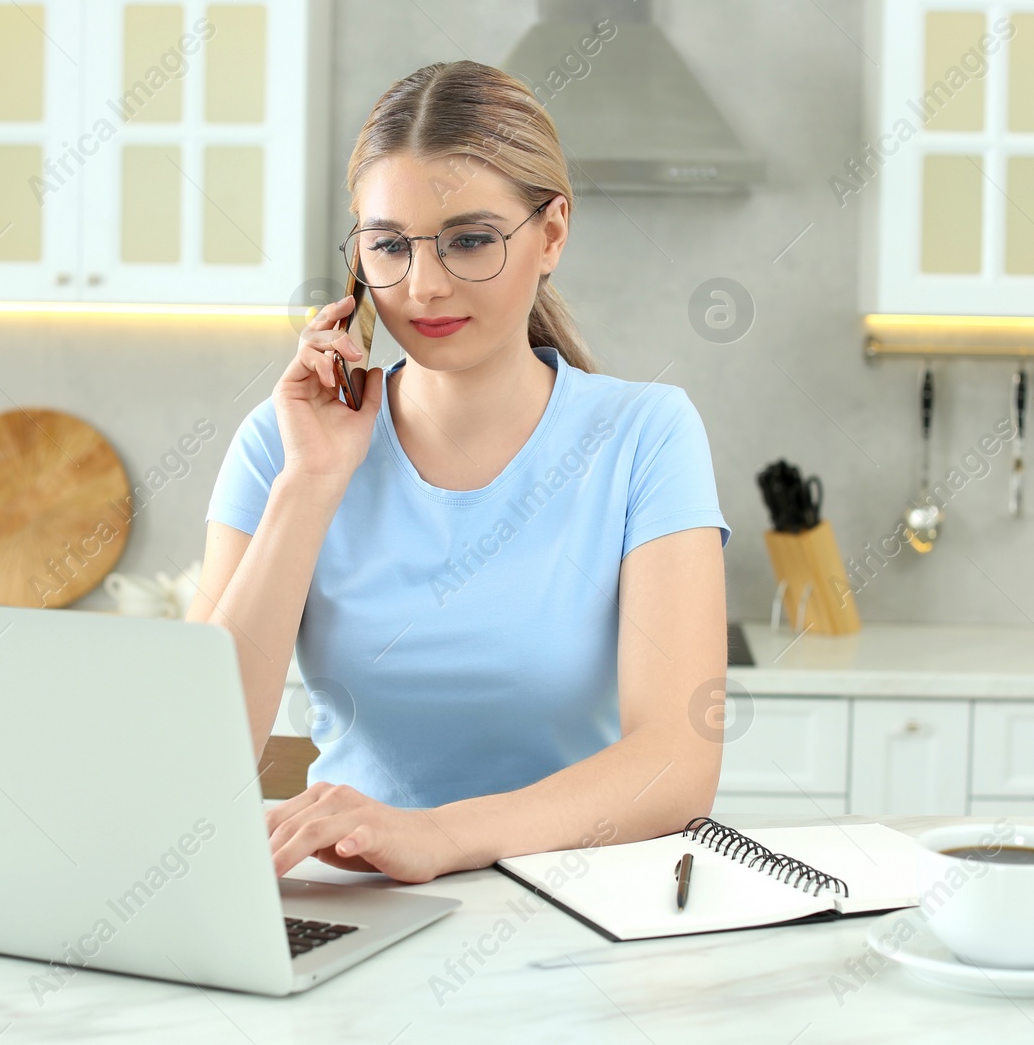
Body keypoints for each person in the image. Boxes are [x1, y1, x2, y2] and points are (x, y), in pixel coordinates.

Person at [188, 60, 731, 884]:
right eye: (389, 245)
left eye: (471, 240)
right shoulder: (281, 446)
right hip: (356, 902)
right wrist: (309, 485)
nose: (425, 285)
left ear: (551, 234)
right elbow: (193, 752)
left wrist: (437, 835)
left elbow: (675, 764)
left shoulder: (645, 436)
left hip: (575, 900)